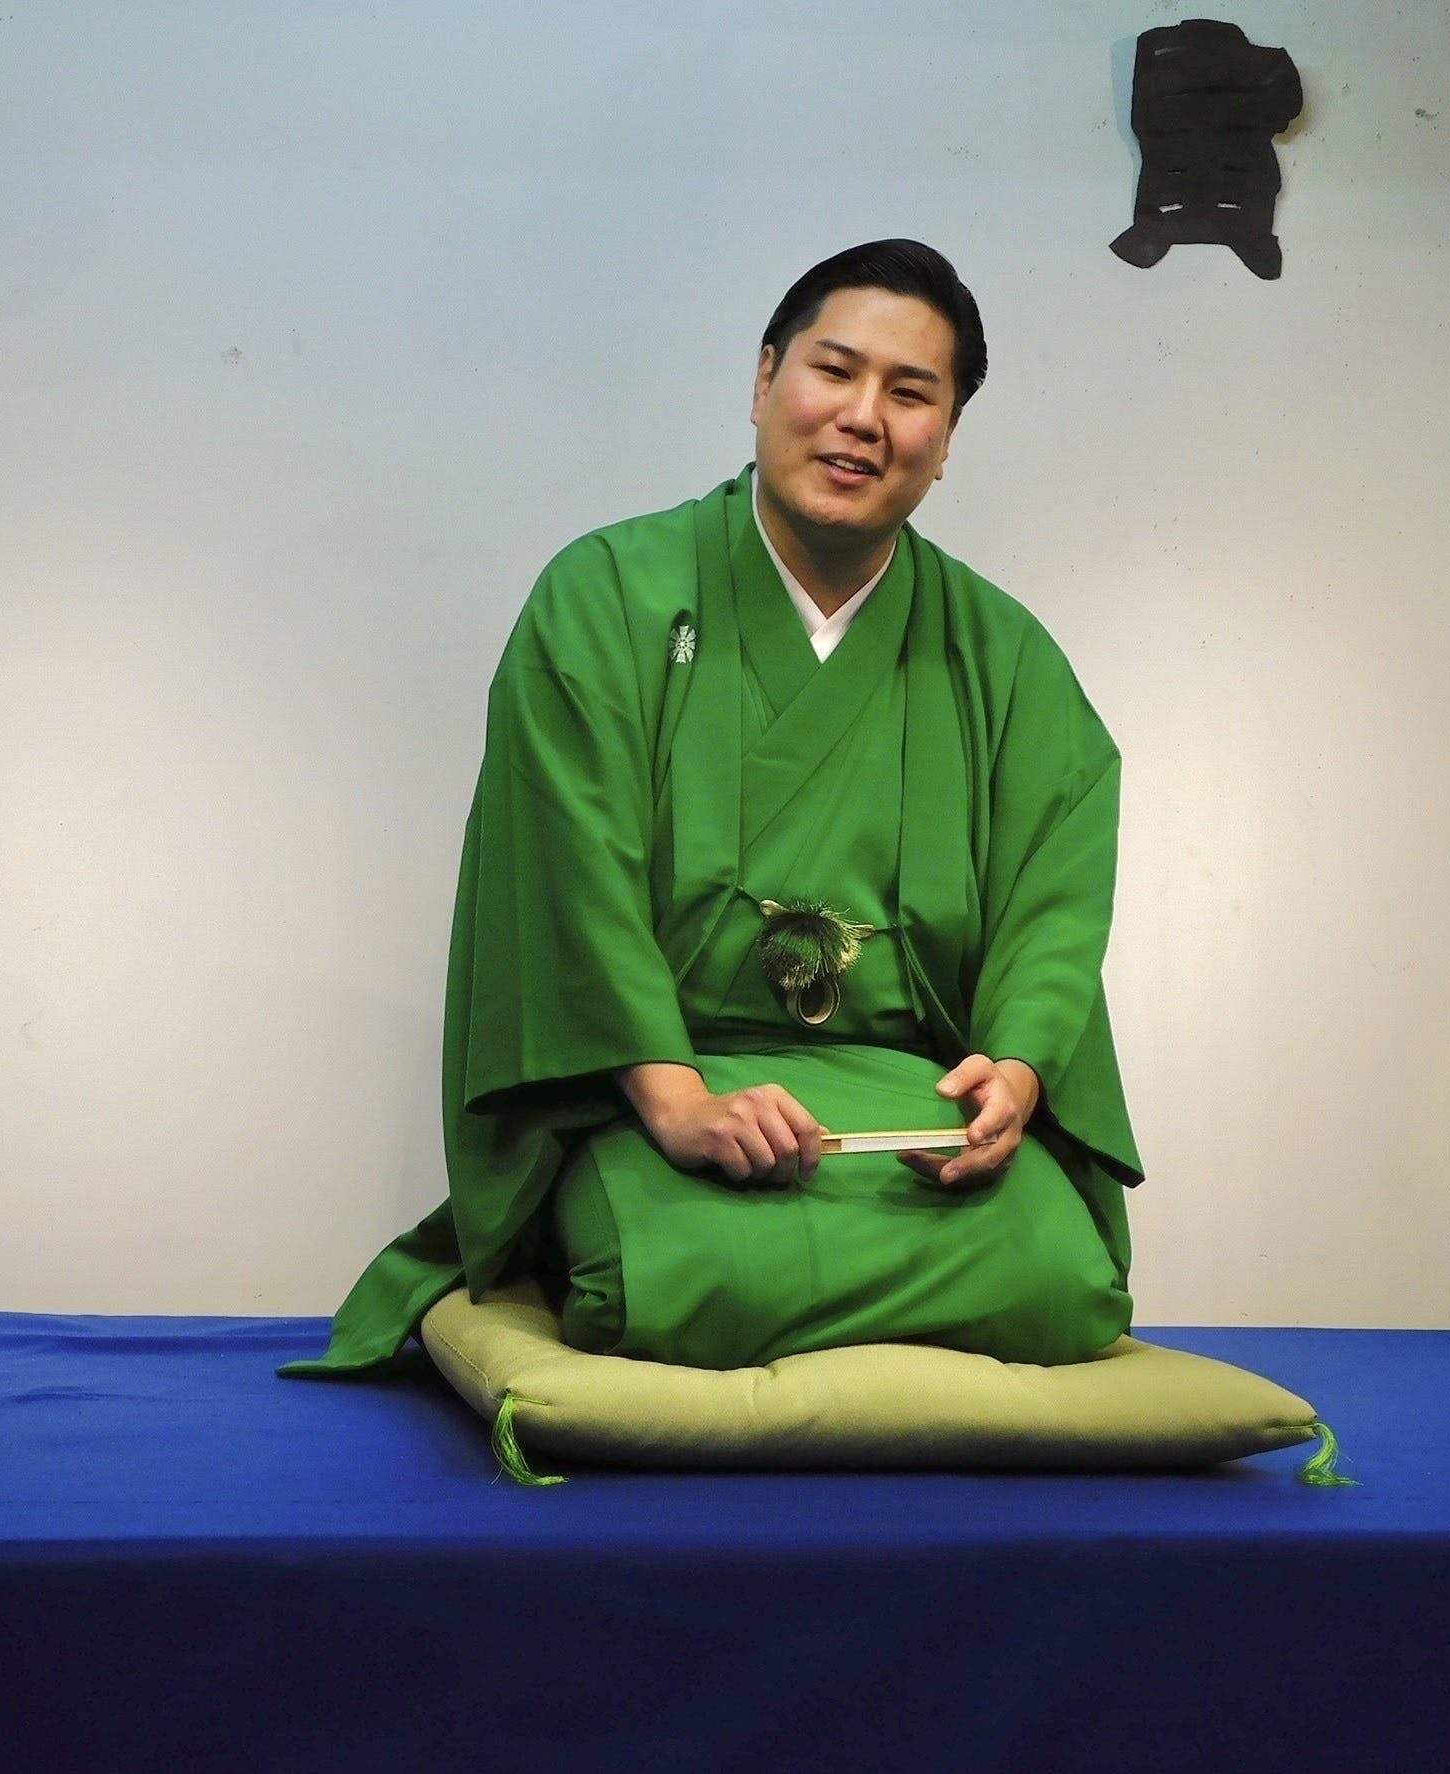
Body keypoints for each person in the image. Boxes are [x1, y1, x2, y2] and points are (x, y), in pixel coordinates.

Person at [286, 239, 1144, 1378]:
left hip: (911, 1111)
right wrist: (677, 1099)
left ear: (946, 443)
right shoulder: (606, 597)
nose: (863, 418)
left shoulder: (1004, 657)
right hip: (659, 1095)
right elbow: (568, 871)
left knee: (1068, 1285)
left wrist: (1018, 1072)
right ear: (764, 379)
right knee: (664, 1279)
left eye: (910, 394)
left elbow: (1056, 889)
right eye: (834, 371)